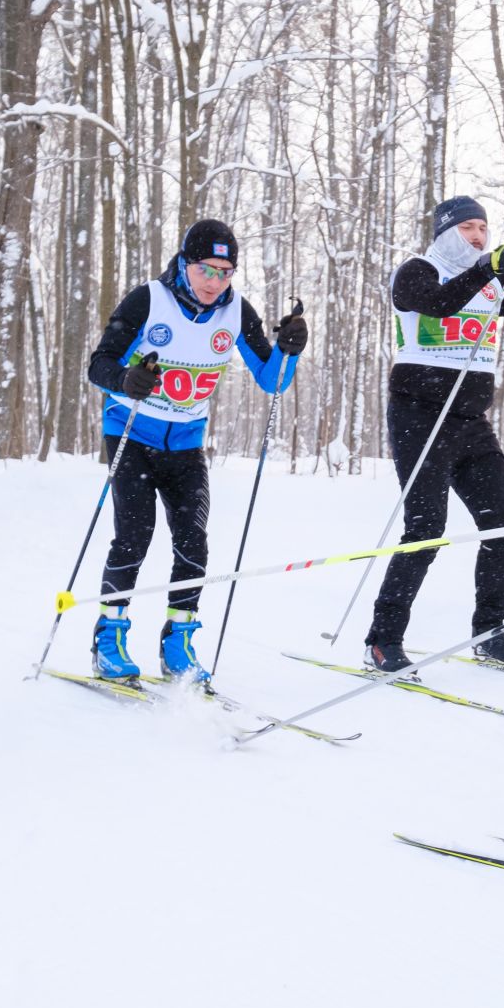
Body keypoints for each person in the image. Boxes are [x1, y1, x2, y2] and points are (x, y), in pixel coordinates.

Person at [361, 197, 504, 673]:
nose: (477, 235)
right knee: (425, 532)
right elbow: (436, 303)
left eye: (483, 229)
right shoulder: (417, 270)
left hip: (471, 424)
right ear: (446, 231)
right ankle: (383, 640)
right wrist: (490, 268)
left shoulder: (492, 282)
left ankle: (490, 634)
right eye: (467, 227)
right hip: (418, 417)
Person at [84, 219, 306, 682]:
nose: (214, 282)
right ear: (185, 264)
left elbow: (273, 381)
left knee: (193, 541)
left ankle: (178, 641)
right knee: (134, 534)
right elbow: (99, 364)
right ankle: (110, 634)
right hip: (131, 431)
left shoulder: (237, 313)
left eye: (225, 273)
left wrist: (289, 349)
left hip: (185, 442)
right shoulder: (149, 299)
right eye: (206, 270)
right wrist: (126, 379)